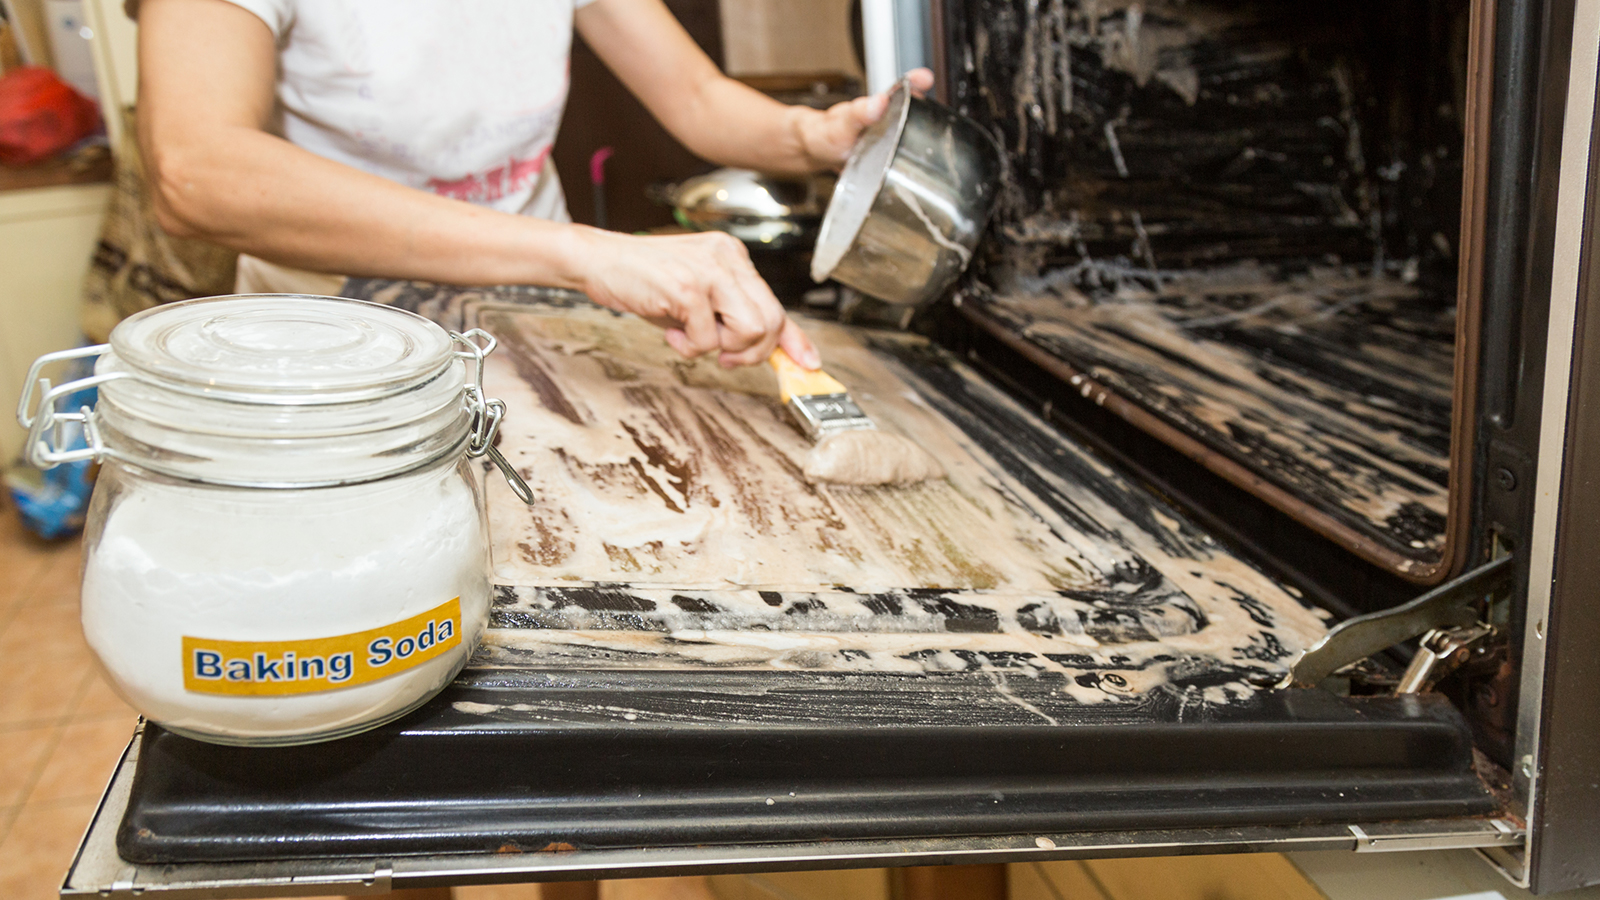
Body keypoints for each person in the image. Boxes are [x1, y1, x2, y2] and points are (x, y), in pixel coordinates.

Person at [135, 0, 933, 369]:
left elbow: (695, 98)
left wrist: (810, 135)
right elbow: (196, 171)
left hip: (529, 313)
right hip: (340, 337)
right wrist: (580, 251)